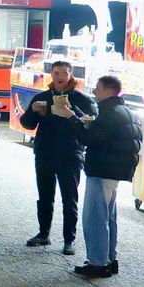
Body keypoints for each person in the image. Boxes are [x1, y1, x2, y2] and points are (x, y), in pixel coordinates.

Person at [18, 60, 98, 254]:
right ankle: (43, 233)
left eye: (64, 72)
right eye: (56, 72)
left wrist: (72, 112)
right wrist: (33, 112)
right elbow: (27, 124)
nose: (60, 76)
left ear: (71, 75)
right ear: (51, 75)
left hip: (71, 154)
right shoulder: (42, 97)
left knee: (69, 198)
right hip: (45, 153)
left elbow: (91, 124)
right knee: (44, 196)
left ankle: (69, 239)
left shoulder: (82, 99)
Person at [74, 75, 140, 278]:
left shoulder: (107, 113)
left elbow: (89, 139)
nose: (94, 92)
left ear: (109, 90)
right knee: (108, 217)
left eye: (97, 88)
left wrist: (72, 119)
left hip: (102, 170)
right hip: (116, 172)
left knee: (95, 217)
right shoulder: (126, 111)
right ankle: (109, 259)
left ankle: (98, 263)